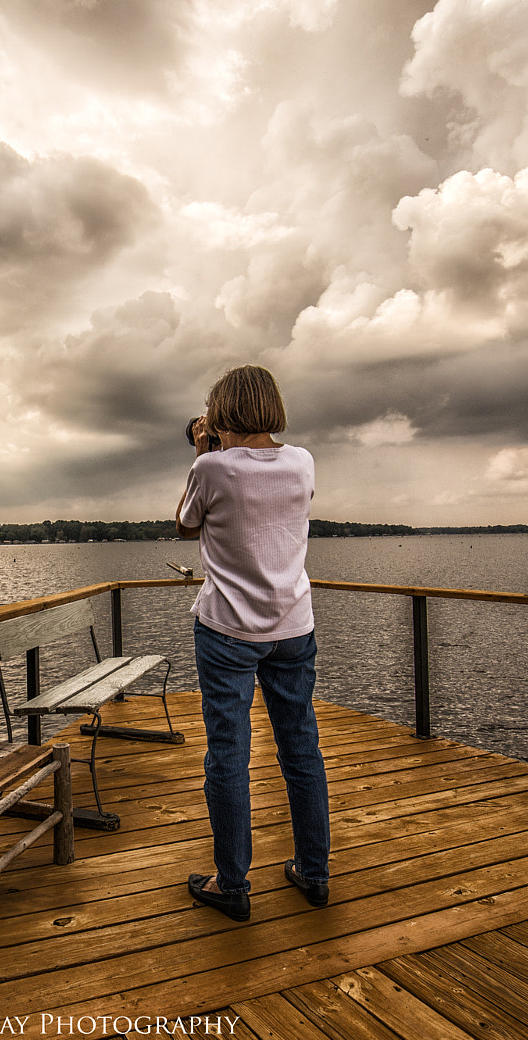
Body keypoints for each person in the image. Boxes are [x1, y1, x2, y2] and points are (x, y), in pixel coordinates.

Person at [175, 365, 331, 921]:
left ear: (221, 413)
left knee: (229, 754)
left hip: (227, 631)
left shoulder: (210, 468)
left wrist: (201, 452)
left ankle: (232, 884)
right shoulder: (303, 461)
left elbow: (185, 525)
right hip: (293, 626)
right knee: (301, 748)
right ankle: (313, 873)